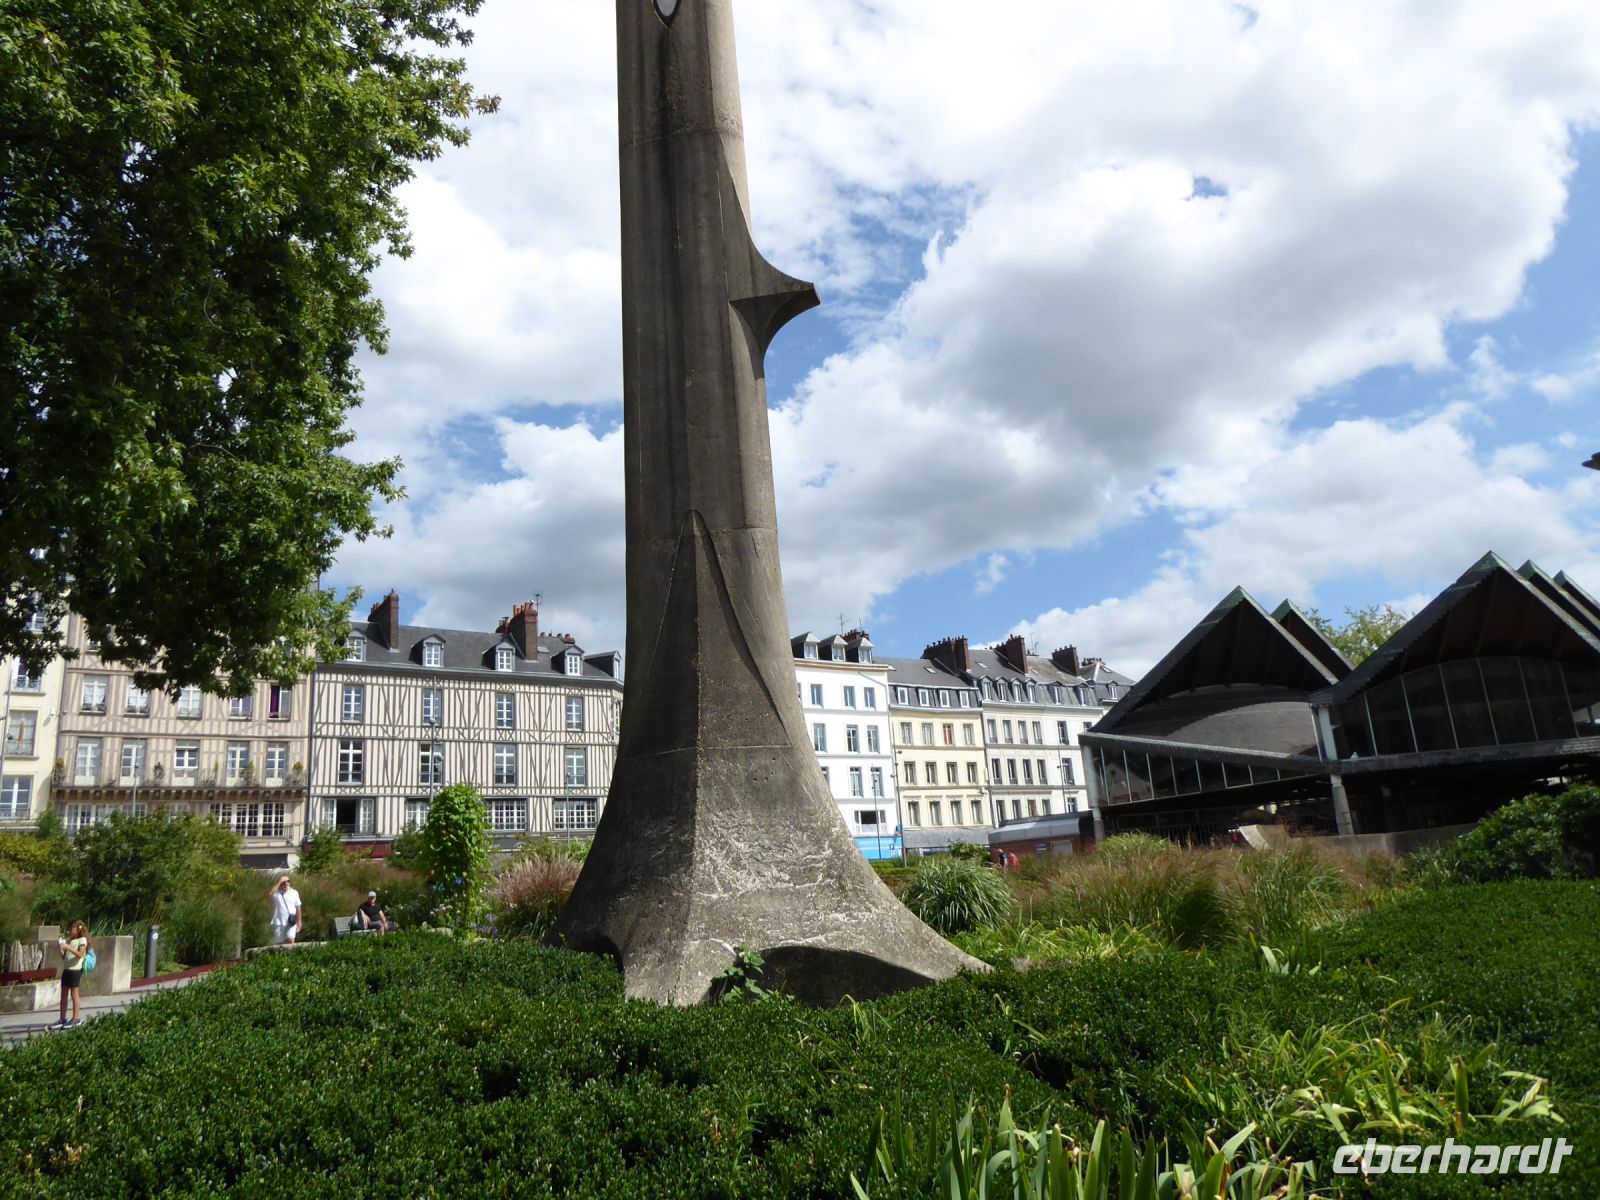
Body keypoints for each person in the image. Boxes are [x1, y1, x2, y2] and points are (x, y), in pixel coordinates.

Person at [51, 921, 90, 1030]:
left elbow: (80, 954)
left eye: (72, 928)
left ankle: (76, 1018)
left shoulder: (82, 940)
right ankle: (62, 1018)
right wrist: (61, 948)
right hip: (67, 969)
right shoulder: (70, 941)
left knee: (74, 994)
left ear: (78, 929)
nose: (69, 931)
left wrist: (68, 947)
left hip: (75, 970)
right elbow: (64, 957)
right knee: (63, 995)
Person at [269, 875, 303, 945]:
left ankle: (290, 955)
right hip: (279, 922)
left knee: (290, 940)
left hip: (291, 921)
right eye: (284, 882)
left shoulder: (294, 893)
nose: (286, 883)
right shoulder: (277, 893)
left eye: (288, 881)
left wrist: (299, 921)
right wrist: (279, 882)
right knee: (279, 943)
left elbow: (298, 908)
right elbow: (270, 893)